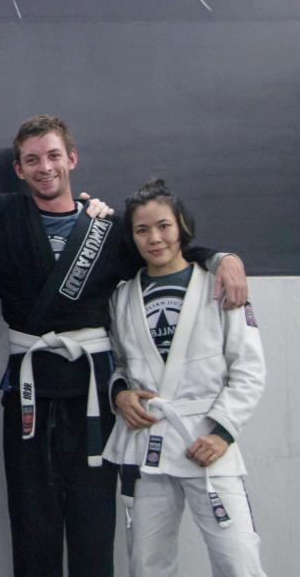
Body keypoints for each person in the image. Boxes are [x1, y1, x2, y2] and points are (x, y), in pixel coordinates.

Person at [0, 115, 249, 577]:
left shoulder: (109, 228)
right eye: (32, 160)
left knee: (94, 522)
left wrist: (221, 258)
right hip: (28, 390)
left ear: (72, 159)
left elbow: (165, 250)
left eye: (53, 155)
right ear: (19, 169)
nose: (45, 167)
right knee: (30, 522)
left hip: (95, 392)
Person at [102, 179, 266, 577]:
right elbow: (121, 365)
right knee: (147, 564)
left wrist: (222, 433)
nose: (154, 238)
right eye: (142, 230)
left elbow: (249, 368)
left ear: (181, 228)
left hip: (207, 441)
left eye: (163, 226)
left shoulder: (219, 284)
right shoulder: (121, 297)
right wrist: (120, 394)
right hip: (151, 445)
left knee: (238, 559)